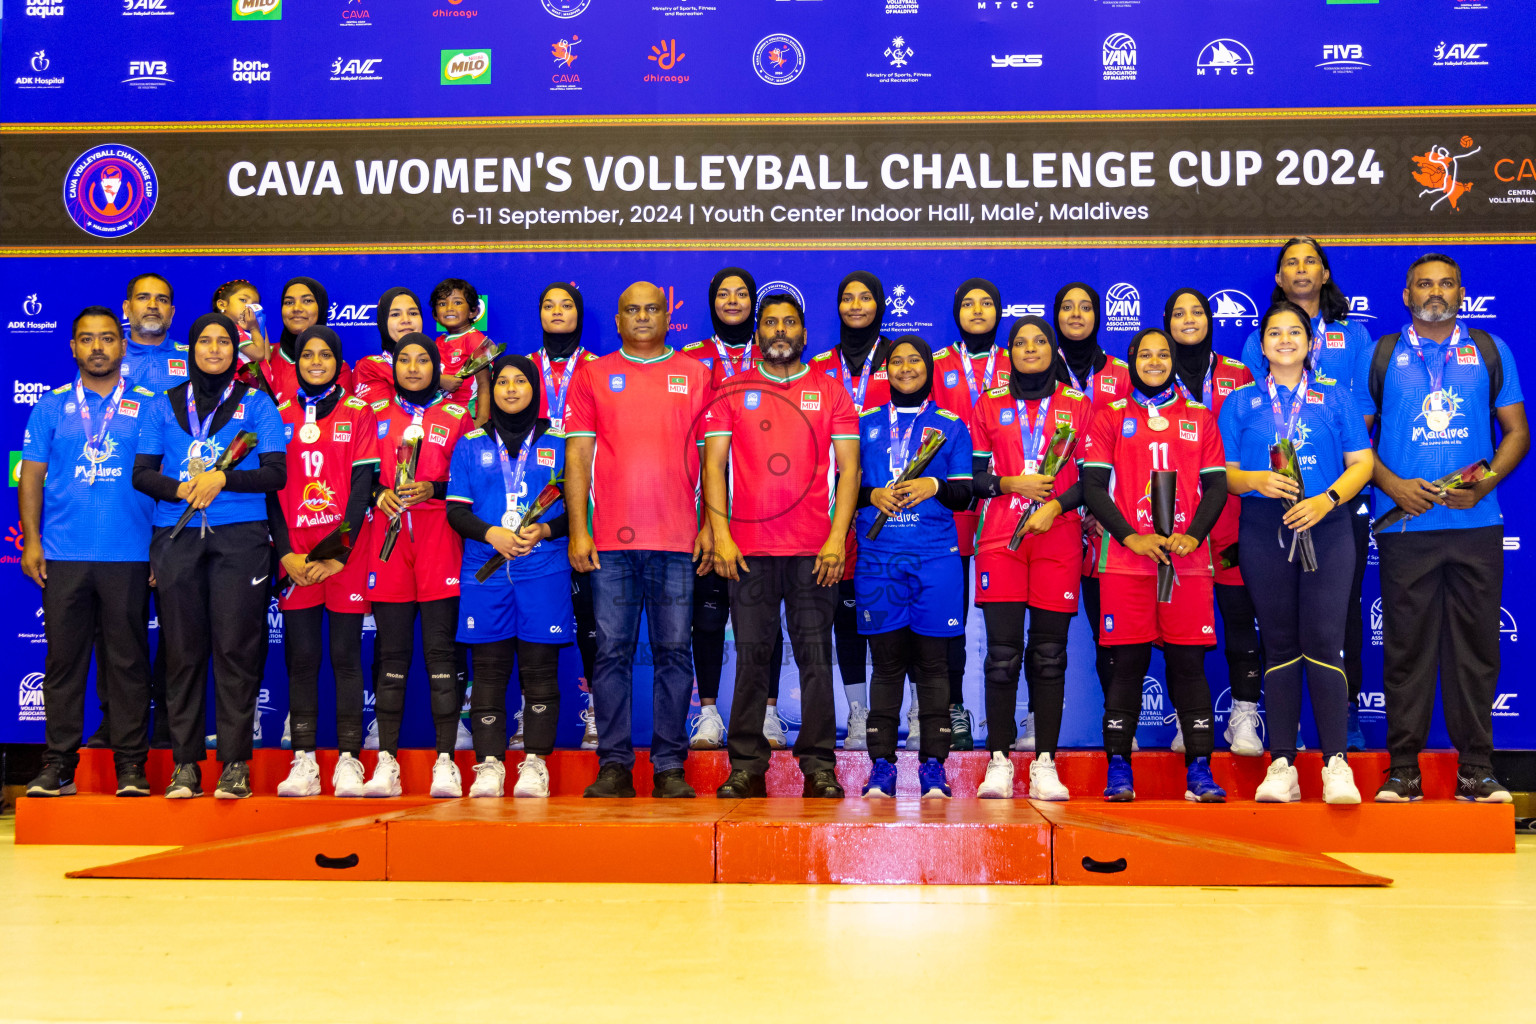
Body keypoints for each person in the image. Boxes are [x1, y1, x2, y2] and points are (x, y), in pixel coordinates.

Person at [1361, 253, 1528, 803]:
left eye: (1447, 284)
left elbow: (1516, 434)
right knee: (1405, 649)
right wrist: (1393, 485)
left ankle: (1476, 769)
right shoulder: (1382, 353)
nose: (1436, 292)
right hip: (1406, 528)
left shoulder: (1489, 350)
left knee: (1476, 650)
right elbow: (1357, 446)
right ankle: (1404, 769)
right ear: (1406, 296)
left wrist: (1486, 483)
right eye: (1424, 284)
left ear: (1462, 293)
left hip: (1477, 524)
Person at [704, 293, 860, 799]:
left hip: (815, 551)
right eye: (769, 322)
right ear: (758, 333)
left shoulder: (830, 390)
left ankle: (818, 765)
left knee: (816, 659)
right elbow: (714, 467)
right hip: (748, 550)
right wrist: (721, 534)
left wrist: (837, 538)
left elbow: (850, 469)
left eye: (789, 322)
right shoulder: (732, 389)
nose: (779, 330)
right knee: (752, 658)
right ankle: (747, 766)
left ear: (804, 334)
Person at [1220, 302, 1374, 804]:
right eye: (1274, 333)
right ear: (1261, 346)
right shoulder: (1240, 402)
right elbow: (1226, 475)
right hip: (1265, 528)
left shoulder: (1338, 398)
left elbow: (1362, 465)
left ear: (1310, 343)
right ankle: (1282, 763)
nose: (1285, 340)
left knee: (1325, 642)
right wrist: (1258, 480)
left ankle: (1335, 765)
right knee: (1281, 644)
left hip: (1327, 526)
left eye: (1295, 332)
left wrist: (1326, 499)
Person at [565, 282, 713, 799]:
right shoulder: (593, 376)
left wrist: (712, 524)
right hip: (609, 541)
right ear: (620, 318)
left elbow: (713, 462)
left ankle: (670, 765)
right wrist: (579, 529)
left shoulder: (696, 374)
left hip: (676, 539)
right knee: (611, 654)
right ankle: (615, 766)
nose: (643, 317)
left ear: (667, 315)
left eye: (652, 308)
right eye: (632, 309)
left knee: (674, 652)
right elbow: (578, 458)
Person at [132, 312, 287, 800]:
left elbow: (275, 475)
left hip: (240, 538)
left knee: (237, 650)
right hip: (175, 538)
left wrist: (222, 478)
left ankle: (236, 763)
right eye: (205, 341)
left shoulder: (258, 403)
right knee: (181, 652)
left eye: (224, 341)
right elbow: (142, 474)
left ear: (235, 351)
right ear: (192, 348)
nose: (215, 349)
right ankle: (184, 765)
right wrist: (182, 488)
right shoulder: (162, 405)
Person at [1081, 328, 1228, 803]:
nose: (1155, 361)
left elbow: (1217, 488)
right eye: (1145, 355)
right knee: (1127, 665)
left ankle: (1200, 770)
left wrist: (1193, 536)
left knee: (1188, 665)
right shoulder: (1110, 416)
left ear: (1173, 361)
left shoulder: (1201, 418)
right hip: (1127, 562)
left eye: (1163, 354)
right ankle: (1119, 769)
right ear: (1132, 362)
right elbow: (1094, 489)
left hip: (1187, 562)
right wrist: (1131, 537)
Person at [1240, 237, 1375, 748]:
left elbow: (1361, 412)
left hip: (1336, 491)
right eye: (1290, 262)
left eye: (1310, 261)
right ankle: (1287, 724)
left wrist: (1325, 446)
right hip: (1275, 498)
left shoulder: (1353, 335)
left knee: (1340, 609)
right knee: (1278, 622)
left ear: (1324, 273)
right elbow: (1260, 410)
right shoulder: (1261, 340)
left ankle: (1346, 713)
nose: (1300, 269)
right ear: (1278, 278)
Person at [21, 308, 157, 798]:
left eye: (106, 339)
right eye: (86, 340)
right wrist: (32, 541)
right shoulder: (50, 407)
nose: (97, 348)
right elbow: (31, 475)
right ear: (73, 349)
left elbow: (163, 481)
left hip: (131, 552)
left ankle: (131, 767)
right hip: (64, 553)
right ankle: (57, 766)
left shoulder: (151, 405)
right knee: (63, 663)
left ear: (122, 348)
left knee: (127, 664)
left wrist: (160, 550)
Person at [969, 317, 1093, 801]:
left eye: (1040, 341)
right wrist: (1009, 485)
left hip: (1057, 539)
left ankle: (1044, 762)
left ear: (1053, 349)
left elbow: (1093, 481)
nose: (1030, 349)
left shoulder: (1077, 406)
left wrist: (1058, 507)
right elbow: (973, 479)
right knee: (1001, 658)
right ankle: (998, 760)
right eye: (1020, 342)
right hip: (1001, 540)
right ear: (1009, 353)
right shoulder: (989, 405)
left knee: (1049, 657)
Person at [447, 354, 572, 798]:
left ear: (535, 388)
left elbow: (580, 510)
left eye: (522, 381)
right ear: (493, 389)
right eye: (503, 382)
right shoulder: (470, 443)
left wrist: (544, 529)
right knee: (489, 671)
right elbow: (456, 513)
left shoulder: (561, 442)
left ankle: (536, 764)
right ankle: (489, 766)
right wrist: (492, 532)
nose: (512, 389)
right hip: (486, 574)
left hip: (544, 569)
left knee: (540, 670)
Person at [854, 336, 972, 798]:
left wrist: (933, 484)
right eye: (896, 361)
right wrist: (870, 495)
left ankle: (933, 768)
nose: (905, 368)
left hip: (935, 558)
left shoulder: (950, 425)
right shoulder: (864, 424)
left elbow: (964, 493)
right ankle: (881, 766)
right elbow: (843, 486)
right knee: (885, 666)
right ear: (886, 371)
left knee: (933, 666)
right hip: (880, 559)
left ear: (929, 368)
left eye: (915, 360)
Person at [267, 326, 380, 798]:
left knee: (345, 658)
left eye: (325, 354)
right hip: (295, 556)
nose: (316, 361)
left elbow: (362, 488)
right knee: (304, 660)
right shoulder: (278, 414)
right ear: (296, 362)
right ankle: (305, 760)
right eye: (307, 354)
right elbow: (270, 491)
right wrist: (286, 553)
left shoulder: (360, 412)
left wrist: (338, 555)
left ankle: (350, 760)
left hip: (343, 556)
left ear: (338, 361)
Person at [363, 335, 474, 797]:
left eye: (422, 360)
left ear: (435, 366)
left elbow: (470, 480)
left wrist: (435, 488)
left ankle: (445, 761)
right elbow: (357, 475)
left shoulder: (457, 415)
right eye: (404, 360)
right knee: (391, 654)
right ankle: (385, 761)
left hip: (438, 540)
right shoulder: (371, 413)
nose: (412, 368)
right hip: (386, 540)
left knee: (441, 653)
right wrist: (376, 493)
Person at [680, 267, 786, 751]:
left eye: (742, 293)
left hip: (762, 499)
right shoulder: (692, 360)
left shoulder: (776, 360)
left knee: (763, 618)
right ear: (711, 303)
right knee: (707, 612)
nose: (733, 300)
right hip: (703, 493)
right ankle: (707, 714)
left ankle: (767, 713)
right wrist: (704, 518)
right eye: (722, 293)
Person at [1164, 288, 1264, 757]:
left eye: (1197, 312)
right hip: (1174, 523)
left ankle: (1244, 714)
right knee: (1183, 628)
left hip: (1229, 518)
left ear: (1210, 320)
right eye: (1178, 314)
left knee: (1239, 616)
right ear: (1166, 323)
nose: (1189, 319)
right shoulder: (1153, 377)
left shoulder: (1238, 374)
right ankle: (1191, 716)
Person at [809, 272, 893, 750]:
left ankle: (907, 710)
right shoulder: (820, 366)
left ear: (879, 305)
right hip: (833, 507)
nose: (856, 305)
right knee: (843, 615)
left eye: (865, 297)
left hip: (888, 506)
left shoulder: (901, 360)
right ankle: (858, 712)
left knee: (886, 612)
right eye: (847, 297)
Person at [930, 277, 1008, 752]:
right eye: (968, 303)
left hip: (1004, 501)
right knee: (949, 617)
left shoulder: (1018, 359)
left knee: (1010, 616)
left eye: (987, 302)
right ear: (956, 311)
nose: (978, 310)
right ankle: (952, 707)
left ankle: (1031, 713)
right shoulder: (937, 364)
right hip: (955, 503)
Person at [1054, 282, 1133, 745]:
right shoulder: (1039, 366)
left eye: (1086, 307)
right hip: (1057, 514)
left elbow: (1134, 447)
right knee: (1051, 629)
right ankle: (1038, 720)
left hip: (1111, 521)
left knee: (1113, 631)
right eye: (1067, 307)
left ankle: (1117, 723)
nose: (1077, 314)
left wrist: (1107, 509)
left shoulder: (1122, 374)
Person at [527, 282, 601, 749]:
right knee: (531, 619)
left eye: (567, 305)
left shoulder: (597, 369)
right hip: (526, 499)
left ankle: (596, 709)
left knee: (591, 618)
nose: (558, 312)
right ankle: (529, 712)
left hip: (588, 501)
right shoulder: (520, 369)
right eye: (548, 304)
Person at [263, 277, 353, 408]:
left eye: (307, 301)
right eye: (289, 302)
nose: (296, 308)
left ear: (321, 307)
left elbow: (340, 417)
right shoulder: (264, 356)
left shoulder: (337, 367)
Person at [429, 277, 493, 425]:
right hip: (438, 416)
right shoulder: (435, 343)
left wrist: (481, 420)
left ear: (473, 311)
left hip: (466, 417)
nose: (449, 308)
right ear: (435, 315)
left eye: (457, 302)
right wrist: (439, 381)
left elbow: (485, 384)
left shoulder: (478, 341)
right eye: (442, 304)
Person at [351, 286, 424, 403]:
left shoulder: (442, 361)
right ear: (383, 322)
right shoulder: (370, 367)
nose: (406, 320)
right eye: (395, 314)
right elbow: (382, 418)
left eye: (413, 313)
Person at [212, 279, 268, 365]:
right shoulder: (228, 327)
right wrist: (254, 328)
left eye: (254, 304)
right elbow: (259, 355)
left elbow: (266, 357)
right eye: (243, 300)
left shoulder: (244, 331)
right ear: (222, 305)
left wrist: (260, 323)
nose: (249, 307)